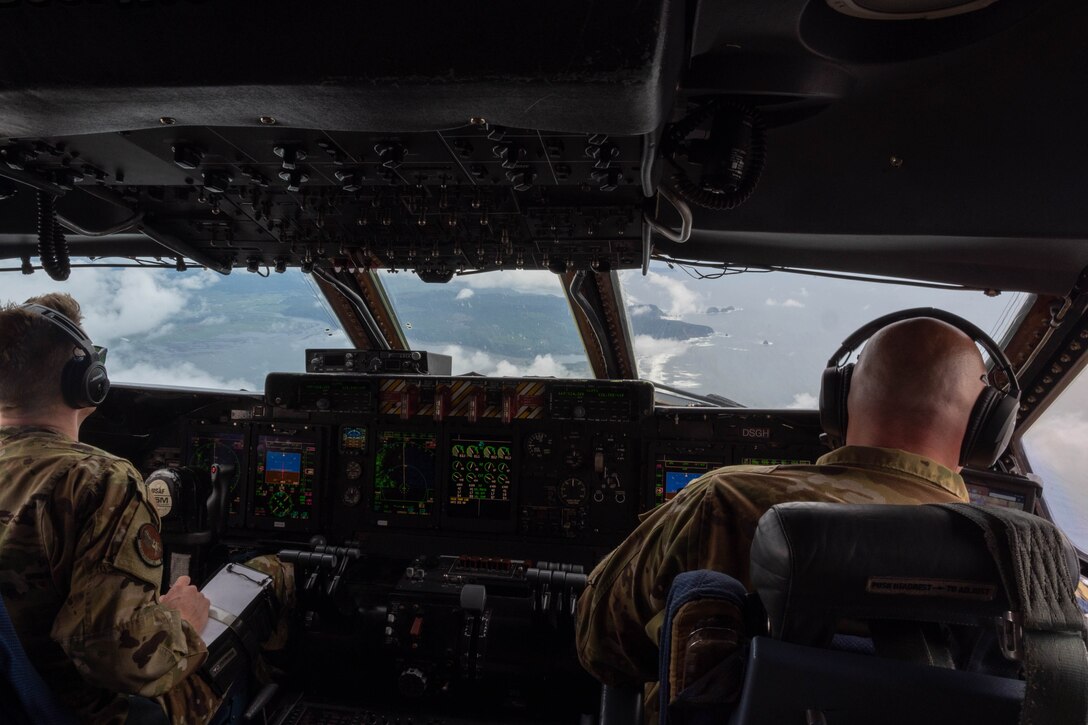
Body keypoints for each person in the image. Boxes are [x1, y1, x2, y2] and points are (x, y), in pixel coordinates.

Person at [575, 315, 989, 720]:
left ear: (838, 401)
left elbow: (600, 645)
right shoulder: (1016, 562)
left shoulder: (727, 500)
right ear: (986, 428)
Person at [0, 293, 288, 724]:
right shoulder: (99, 479)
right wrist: (182, 620)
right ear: (88, 381)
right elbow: (122, 661)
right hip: (84, 711)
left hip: (17, 699)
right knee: (269, 574)